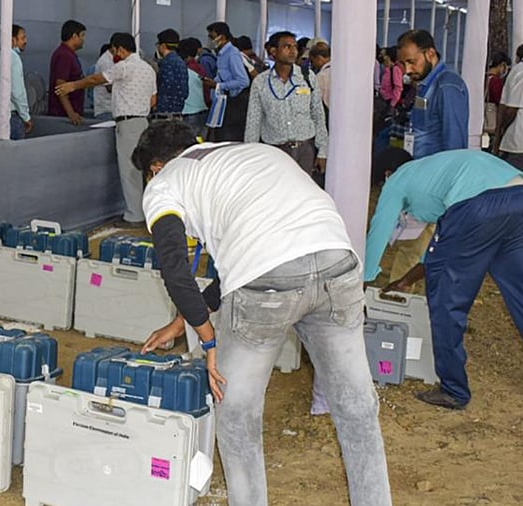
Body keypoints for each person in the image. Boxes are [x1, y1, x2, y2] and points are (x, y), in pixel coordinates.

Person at [134, 120, 392, 506]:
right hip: (337, 264)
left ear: (155, 166)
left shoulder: (165, 182)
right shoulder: (252, 153)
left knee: (237, 414)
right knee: (356, 407)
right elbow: (251, 253)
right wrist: (183, 320)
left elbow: (174, 267)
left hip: (266, 285)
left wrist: (209, 340)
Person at [366, 149, 523, 411]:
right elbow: (445, 249)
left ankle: (453, 390)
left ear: (387, 173)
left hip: (477, 207)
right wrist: (406, 280)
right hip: (518, 198)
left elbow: (379, 229)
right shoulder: (434, 170)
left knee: (446, 300)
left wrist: (362, 280)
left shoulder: (397, 180)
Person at [56, 32, 156, 228]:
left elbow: (96, 79)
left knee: (129, 169)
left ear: (120, 49)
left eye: (114, 51)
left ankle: (134, 216)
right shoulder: (148, 69)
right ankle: (145, 211)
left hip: (128, 124)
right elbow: (153, 100)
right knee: (142, 169)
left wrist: (73, 86)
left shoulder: (125, 66)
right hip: (143, 122)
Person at [245, 31, 328, 178]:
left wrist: (323, 151)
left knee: (303, 194)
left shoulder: (307, 77)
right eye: (287, 47)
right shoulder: (261, 82)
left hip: (305, 150)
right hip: (275, 151)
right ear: (273, 51)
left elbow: (318, 115)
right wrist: (251, 155)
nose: (293, 51)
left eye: (295, 47)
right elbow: (253, 121)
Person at [397, 29, 469, 158]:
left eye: (412, 62)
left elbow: (455, 143)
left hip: (435, 171)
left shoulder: (447, 86)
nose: (407, 70)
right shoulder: (425, 84)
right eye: (403, 64)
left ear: (430, 53)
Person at [205, 22, 250, 141]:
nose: (210, 40)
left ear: (222, 37)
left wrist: (219, 85)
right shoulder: (221, 54)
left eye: (212, 37)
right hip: (224, 101)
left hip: (234, 103)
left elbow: (243, 81)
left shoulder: (232, 53)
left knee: (228, 138)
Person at [0, 24, 31, 140]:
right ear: (13, 40)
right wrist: (26, 116)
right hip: (12, 115)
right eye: (23, 38)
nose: (26, 41)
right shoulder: (14, 59)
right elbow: (17, 92)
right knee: (16, 155)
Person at [48, 19, 87, 125]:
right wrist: (71, 112)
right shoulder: (65, 56)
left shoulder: (68, 54)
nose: (84, 39)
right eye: (82, 36)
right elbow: (61, 85)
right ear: (74, 36)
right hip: (64, 117)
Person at [495, 45, 523, 169]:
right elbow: (511, 108)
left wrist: (501, 130)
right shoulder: (520, 72)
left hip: (516, 140)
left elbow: (507, 107)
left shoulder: (517, 71)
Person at [178, 37, 211, 136]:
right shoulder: (200, 68)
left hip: (189, 112)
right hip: (203, 110)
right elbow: (206, 90)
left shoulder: (183, 70)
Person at [153, 29, 188, 120]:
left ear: (163, 45)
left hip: (164, 114)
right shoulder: (181, 62)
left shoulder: (166, 63)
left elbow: (163, 87)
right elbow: (185, 91)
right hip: (178, 112)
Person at [92, 42, 114, 120]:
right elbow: (109, 87)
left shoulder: (111, 60)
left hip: (110, 109)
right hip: (106, 109)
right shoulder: (106, 62)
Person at [309, 42, 332, 111]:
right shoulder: (341, 72)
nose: (313, 65)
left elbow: (316, 101)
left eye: (312, 61)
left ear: (318, 58)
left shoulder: (321, 77)